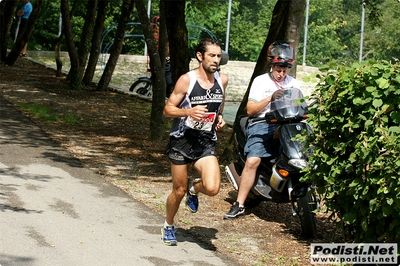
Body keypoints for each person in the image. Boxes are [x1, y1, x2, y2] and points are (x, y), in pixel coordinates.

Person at [162, 38, 229, 246]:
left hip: (205, 141)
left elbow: (219, 103)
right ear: (200, 56)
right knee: (178, 191)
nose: (216, 60)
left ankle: (195, 189)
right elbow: (167, 110)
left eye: (218, 56)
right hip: (181, 140)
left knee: (212, 187)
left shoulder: (222, 79)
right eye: (212, 55)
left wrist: (219, 117)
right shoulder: (186, 80)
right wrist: (188, 111)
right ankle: (168, 225)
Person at [224, 41, 300, 219]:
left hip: (286, 124)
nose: (281, 74)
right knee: (253, 161)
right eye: (278, 69)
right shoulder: (260, 81)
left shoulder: (294, 83)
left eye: (284, 70)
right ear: (271, 65)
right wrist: (270, 98)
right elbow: (250, 110)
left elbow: (299, 105)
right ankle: (239, 204)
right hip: (262, 123)